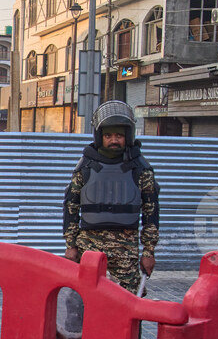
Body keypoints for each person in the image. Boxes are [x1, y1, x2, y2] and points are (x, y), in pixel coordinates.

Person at [63, 100, 159, 295]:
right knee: (81, 299)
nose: (114, 140)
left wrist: (148, 252)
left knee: (130, 302)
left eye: (119, 136)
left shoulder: (141, 168)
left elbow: (151, 213)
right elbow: (70, 206)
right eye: (108, 136)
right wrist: (71, 245)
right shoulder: (86, 166)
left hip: (126, 251)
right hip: (89, 247)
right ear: (100, 137)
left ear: (128, 137)